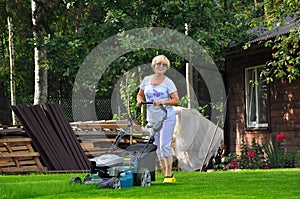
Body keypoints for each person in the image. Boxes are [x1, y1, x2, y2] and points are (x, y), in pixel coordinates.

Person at [136, 55, 179, 183]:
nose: (161, 66)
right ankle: (165, 173)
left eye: (164, 65)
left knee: (165, 146)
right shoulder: (146, 80)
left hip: (166, 117)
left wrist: (162, 102)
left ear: (167, 68)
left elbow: (176, 100)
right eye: (158, 64)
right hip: (153, 118)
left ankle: (169, 175)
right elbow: (140, 94)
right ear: (154, 65)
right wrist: (139, 101)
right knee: (157, 147)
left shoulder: (168, 82)